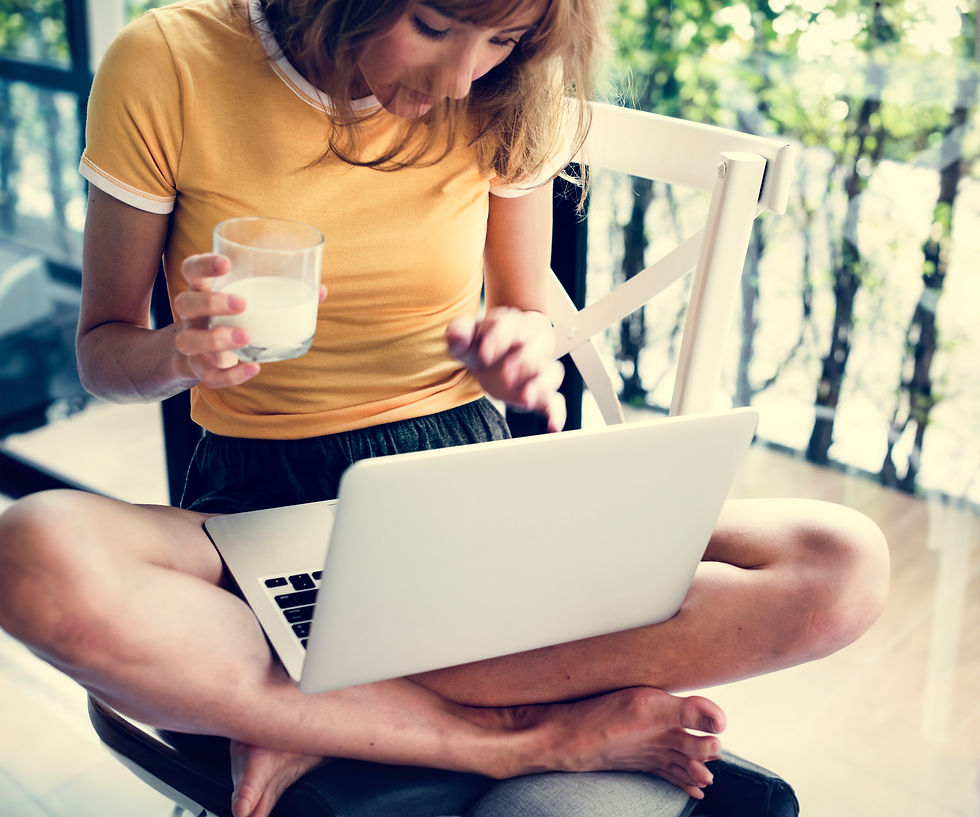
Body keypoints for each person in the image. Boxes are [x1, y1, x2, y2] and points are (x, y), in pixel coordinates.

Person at [0, 1, 890, 816]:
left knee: (840, 563)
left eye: (501, 40)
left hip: (462, 493)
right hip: (265, 498)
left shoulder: (514, 82)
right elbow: (103, 352)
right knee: (31, 555)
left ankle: (312, 708)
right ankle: (516, 735)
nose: (464, 79)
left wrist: (525, 350)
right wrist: (175, 352)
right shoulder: (168, 61)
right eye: (433, 24)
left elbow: (523, 308)